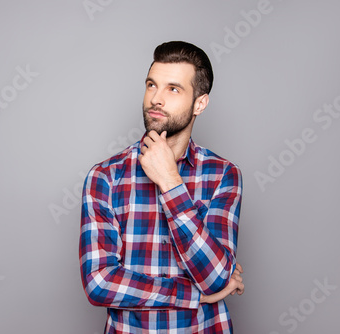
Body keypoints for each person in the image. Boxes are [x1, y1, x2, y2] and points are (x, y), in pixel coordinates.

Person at [79, 41, 244, 333]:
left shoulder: (223, 175)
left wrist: (170, 182)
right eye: (151, 85)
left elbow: (217, 279)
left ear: (200, 103)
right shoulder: (105, 177)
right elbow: (100, 282)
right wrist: (193, 295)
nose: (156, 98)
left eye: (173, 89)